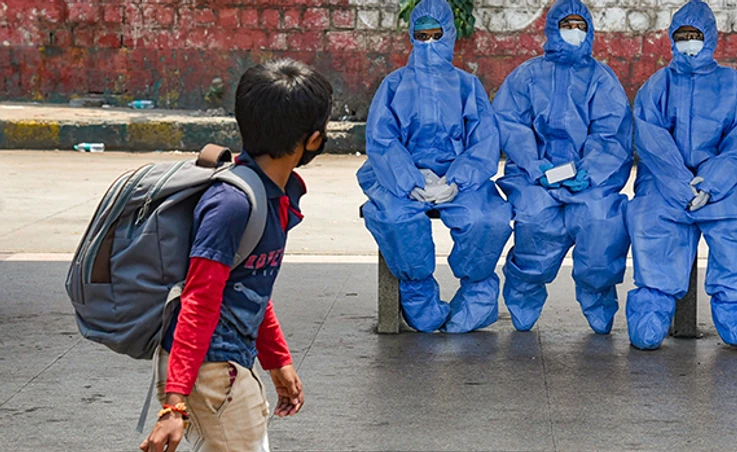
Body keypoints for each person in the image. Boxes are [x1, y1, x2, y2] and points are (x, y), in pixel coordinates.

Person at [140, 59, 332, 451]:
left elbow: (249, 287)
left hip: (227, 360)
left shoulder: (275, 195)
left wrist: (276, 360)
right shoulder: (232, 204)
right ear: (312, 139)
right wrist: (173, 405)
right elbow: (200, 298)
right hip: (208, 366)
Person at [626, 0, 737, 350]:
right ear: (671, 38)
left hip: (724, 184)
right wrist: (682, 184)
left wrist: (711, 183)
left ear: (711, 38)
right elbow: (651, 140)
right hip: (664, 182)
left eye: (695, 36)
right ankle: (652, 308)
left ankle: (735, 309)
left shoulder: (734, 86)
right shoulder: (657, 86)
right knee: (651, 221)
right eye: (682, 36)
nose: (689, 43)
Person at [357, 0, 512, 334]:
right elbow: (382, 139)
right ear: (412, 37)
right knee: (395, 218)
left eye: (435, 35)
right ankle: (418, 296)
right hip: (401, 178)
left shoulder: (468, 86)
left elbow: (485, 141)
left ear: (449, 35)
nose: (428, 44)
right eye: (421, 35)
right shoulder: (394, 85)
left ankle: (478, 295)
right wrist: (408, 177)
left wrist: (457, 178)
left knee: (488, 219)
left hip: (461, 181)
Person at [492, 0, 633, 334]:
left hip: (589, 182)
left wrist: (591, 171)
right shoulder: (527, 75)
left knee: (602, 222)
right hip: (534, 178)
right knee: (534, 221)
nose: (573, 33)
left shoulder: (601, 80)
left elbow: (612, 134)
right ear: (551, 28)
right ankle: (524, 291)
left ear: (590, 30)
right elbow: (509, 122)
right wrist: (533, 163)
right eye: (566, 26)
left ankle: (596, 294)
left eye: (579, 26)